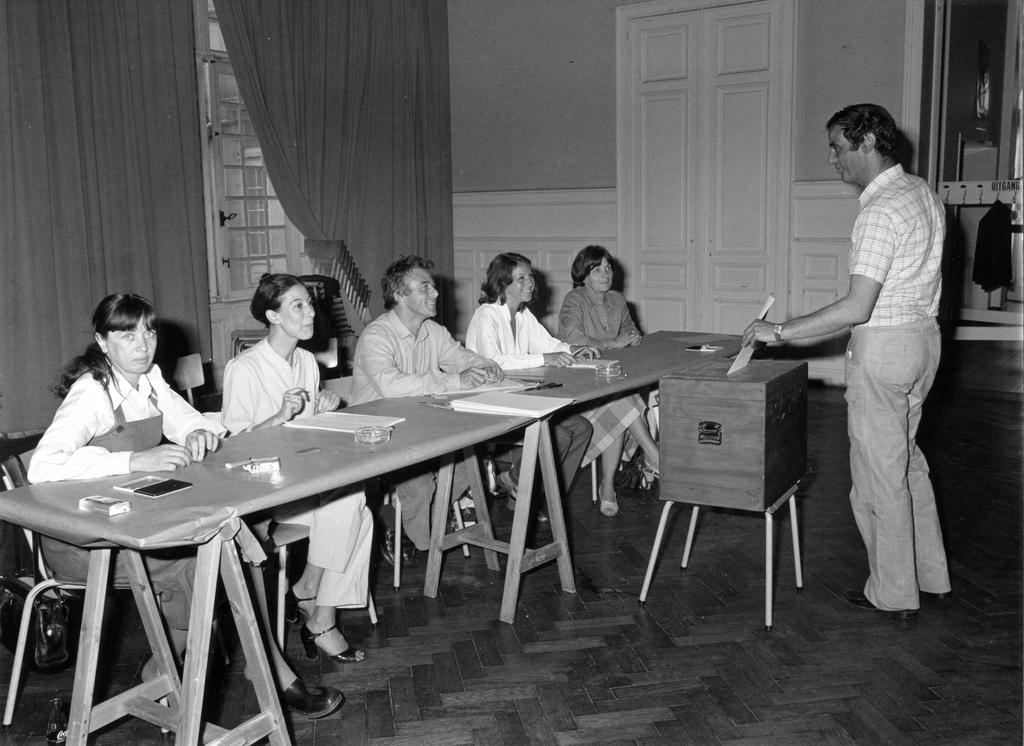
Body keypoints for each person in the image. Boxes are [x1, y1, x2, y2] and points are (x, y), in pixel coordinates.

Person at [28, 292, 343, 718]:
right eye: (126, 336)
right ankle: (255, 671)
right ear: (102, 343)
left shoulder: (150, 379)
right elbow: (43, 466)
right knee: (218, 558)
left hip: (134, 521)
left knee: (229, 549)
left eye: (148, 332)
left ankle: (166, 670)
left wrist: (197, 431)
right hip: (85, 540)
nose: (142, 345)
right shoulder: (92, 392)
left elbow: (188, 418)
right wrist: (134, 459)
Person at [742, 104, 951, 620]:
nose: (832, 158)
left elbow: (859, 307)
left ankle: (895, 593)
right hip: (924, 341)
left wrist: (781, 331)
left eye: (837, 147)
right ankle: (931, 575)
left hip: (885, 349)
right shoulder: (921, 191)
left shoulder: (878, 211)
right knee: (908, 463)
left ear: (866, 145)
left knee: (879, 478)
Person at [221, 274, 372, 665]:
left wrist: (322, 409)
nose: (310, 313)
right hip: (263, 492)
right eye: (298, 306)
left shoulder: (306, 361)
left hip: (303, 479)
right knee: (352, 509)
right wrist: (278, 417)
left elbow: (305, 435)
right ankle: (315, 609)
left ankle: (314, 599)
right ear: (272, 315)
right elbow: (231, 449)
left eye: (310, 304)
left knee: (356, 505)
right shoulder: (244, 368)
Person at [350, 256, 504, 562]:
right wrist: (453, 381)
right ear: (399, 295)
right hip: (378, 435)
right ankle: (400, 525)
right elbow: (391, 387)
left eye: (433, 286)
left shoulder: (432, 331)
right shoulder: (377, 336)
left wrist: (485, 364)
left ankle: (423, 521)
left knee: (468, 463)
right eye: (425, 287)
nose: (435, 293)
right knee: (421, 485)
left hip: (419, 425)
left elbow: (459, 358)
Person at [465, 253, 596, 510]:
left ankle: (545, 500)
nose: (530, 283)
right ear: (503, 284)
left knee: (582, 429)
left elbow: (548, 344)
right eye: (521, 278)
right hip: (490, 402)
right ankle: (522, 492)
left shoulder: (524, 315)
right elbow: (495, 361)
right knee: (558, 436)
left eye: (530, 276)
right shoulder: (486, 315)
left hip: (521, 397)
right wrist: (544, 358)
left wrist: (574, 350)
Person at [558, 245, 661, 515]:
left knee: (618, 403)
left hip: (609, 384)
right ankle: (652, 454)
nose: (605, 274)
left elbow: (629, 328)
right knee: (620, 398)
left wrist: (633, 336)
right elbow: (571, 338)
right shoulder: (574, 300)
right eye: (597, 269)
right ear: (583, 275)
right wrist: (614, 343)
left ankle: (608, 487)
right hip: (581, 388)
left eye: (608, 268)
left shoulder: (616, 299)